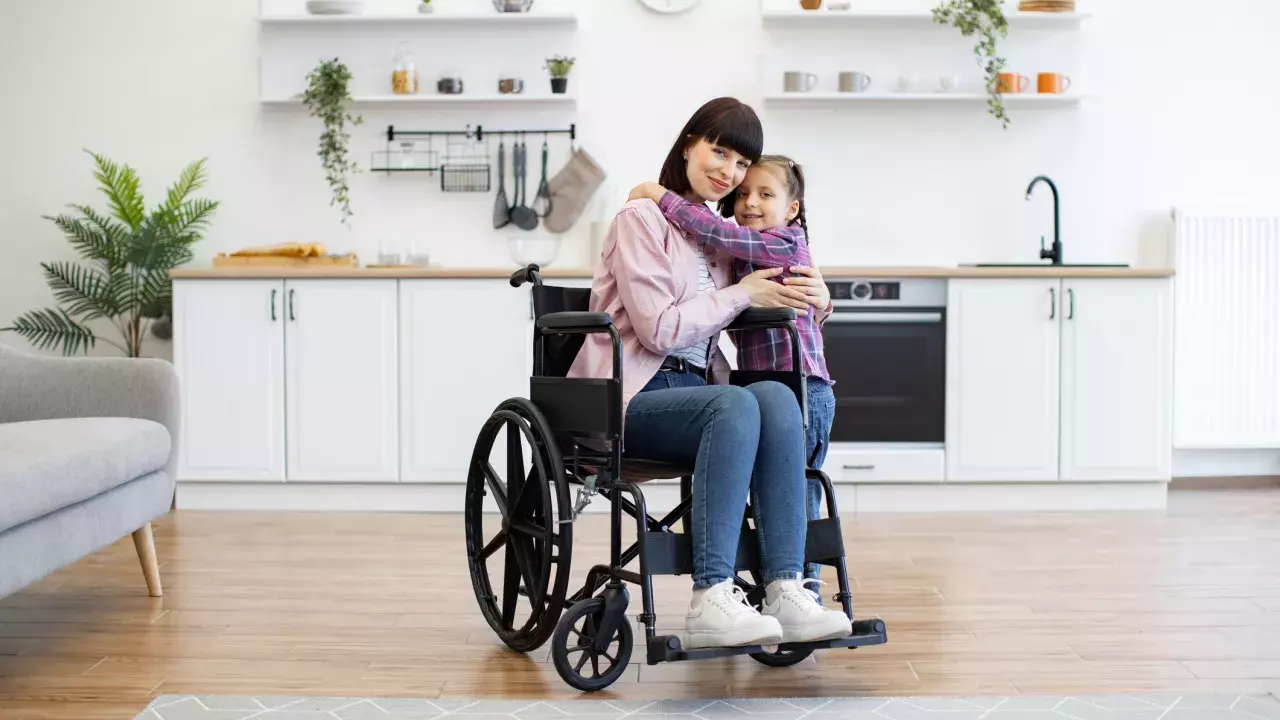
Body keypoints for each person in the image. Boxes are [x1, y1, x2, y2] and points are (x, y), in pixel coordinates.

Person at [567, 97, 850, 650]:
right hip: (631, 393)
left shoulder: (715, 235)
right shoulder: (640, 220)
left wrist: (820, 297)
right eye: (719, 152)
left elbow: (778, 277)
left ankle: (785, 587)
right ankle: (712, 596)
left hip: (697, 396)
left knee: (774, 395)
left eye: (742, 165)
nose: (729, 172)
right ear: (689, 143)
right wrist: (741, 292)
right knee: (738, 402)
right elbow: (658, 331)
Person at [627, 154, 835, 601]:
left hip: (804, 389)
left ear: (792, 208)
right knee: (768, 479)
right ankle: (747, 588)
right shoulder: (732, 252)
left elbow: (718, 234)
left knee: (797, 492)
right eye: (743, 193)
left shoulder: (773, 243)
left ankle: (803, 591)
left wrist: (823, 300)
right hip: (756, 386)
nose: (749, 201)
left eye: (764, 193)